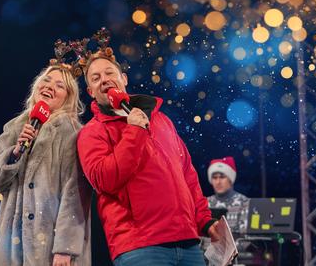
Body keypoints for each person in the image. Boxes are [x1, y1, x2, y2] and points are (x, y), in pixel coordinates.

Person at [75, 28, 219, 266]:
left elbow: (187, 175)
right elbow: (104, 179)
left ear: (124, 79)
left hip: (188, 242)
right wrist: (134, 132)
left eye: (109, 72)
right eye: (96, 78)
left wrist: (204, 220)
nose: (104, 80)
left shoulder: (160, 120)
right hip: (140, 247)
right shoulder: (92, 133)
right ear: (90, 92)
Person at [0, 45, 92, 266]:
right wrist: (14, 153)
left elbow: (76, 192)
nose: (50, 87)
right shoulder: (15, 127)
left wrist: (65, 249)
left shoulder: (72, 133)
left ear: (68, 98)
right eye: (46, 81)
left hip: (51, 249)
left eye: (59, 85)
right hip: (12, 249)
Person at [207, 156, 250, 234]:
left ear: (231, 179)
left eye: (222, 177)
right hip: (206, 246)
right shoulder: (204, 203)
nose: (218, 182)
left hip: (234, 246)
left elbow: (245, 239)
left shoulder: (245, 203)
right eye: (214, 177)